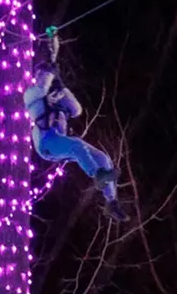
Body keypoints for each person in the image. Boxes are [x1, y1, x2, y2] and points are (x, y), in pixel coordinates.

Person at [25, 64, 124, 218]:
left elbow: (76, 110)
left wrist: (62, 88)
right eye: (40, 75)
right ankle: (97, 174)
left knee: (102, 158)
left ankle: (112, 201)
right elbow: (41, 89)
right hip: (46, 142)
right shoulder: (31, 95)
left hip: (61, 139)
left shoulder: (56, 97)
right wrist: (50, 73)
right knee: (76, 146)